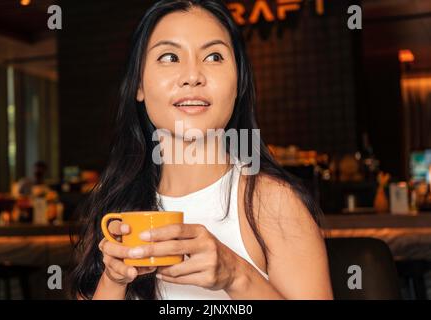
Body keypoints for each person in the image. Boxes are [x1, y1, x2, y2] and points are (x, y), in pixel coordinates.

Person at [70, 0, 333, 300]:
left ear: (239, 84)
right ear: (138, 86)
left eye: (214, 56)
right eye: (169, 57)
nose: (193, 75)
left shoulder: (273, 204)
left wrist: (236, 275)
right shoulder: (113, 203)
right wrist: (115, 279)